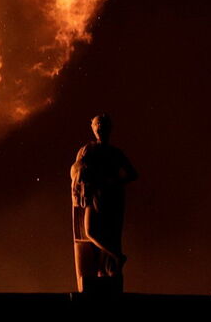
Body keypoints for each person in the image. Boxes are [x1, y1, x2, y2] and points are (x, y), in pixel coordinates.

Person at [71, 113, 137, 293]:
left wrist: (111, 182)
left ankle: (115, 260)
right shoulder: (87, 150)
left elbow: (132, 174)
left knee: (98, 232)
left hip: (107, 197)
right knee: (94, 232)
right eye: (96, 125)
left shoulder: (113, 152)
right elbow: (77, 171)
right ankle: (112, 262)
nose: (99, 128)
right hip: (96, 196)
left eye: (102, 125)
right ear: (93, 128)